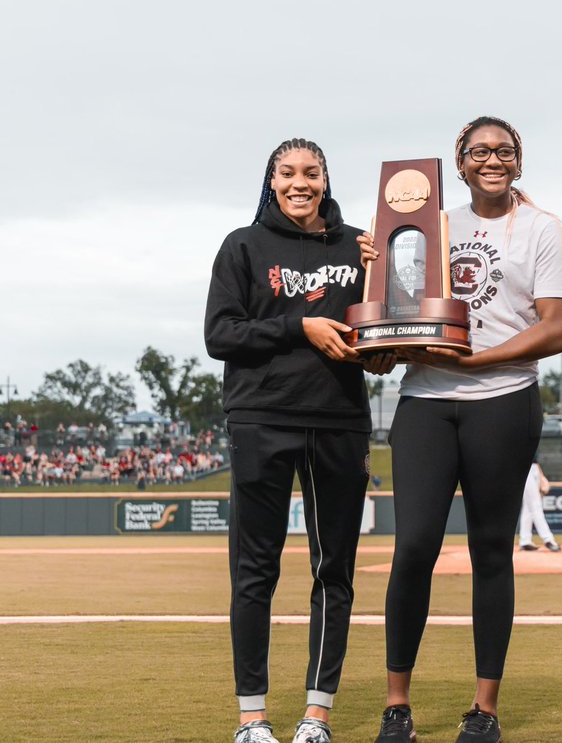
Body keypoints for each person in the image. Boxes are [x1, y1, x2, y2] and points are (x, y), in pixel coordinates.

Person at [362, 116, 562, 743]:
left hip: (504, 399)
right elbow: (401, 305)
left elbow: (558, 327)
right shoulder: (435, 224)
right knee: (415, 547)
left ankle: (484, 710)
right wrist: (376, 285)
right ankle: (396, 706)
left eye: (504, 151)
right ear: (458, 161)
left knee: (490, 551)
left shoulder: (542, 229)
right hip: (427, 400)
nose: (492, 160)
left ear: (518, 161)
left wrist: (479, 360)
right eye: (479, 151)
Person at [205, 138, 393, 743]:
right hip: (261, 417)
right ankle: (252, 719)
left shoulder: (360, 245)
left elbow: (381, 342)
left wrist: (384, 272)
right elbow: (220, 334)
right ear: (271, 180)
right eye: (287, 173)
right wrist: (300, 325)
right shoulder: (242, 245)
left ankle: (317, 715)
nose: (299, 183)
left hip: (339, 419)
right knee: (254, 573)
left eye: (311, 172)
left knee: (332, 570)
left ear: (326, 179)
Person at [517, 460, 561, 552]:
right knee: (535, 504)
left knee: (528, 508)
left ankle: (525, 541)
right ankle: (548, 539)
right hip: (522, 466)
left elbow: (534, 458)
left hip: (534, 468)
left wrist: (541, 476)